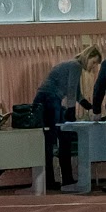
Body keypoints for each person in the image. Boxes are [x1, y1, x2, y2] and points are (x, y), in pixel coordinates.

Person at [34, 45, 100, 190]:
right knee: (58, 139)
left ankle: (61, 179)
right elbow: (71, 90)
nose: (94, 66)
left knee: (56, 140)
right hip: (49, 99)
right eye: (94, 62)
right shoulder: (75, 66)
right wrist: (70, 111)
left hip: (46, 99)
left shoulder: (71, 65)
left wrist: (90, 107)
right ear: (88, 57)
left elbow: (77, 94)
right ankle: (61, 179)